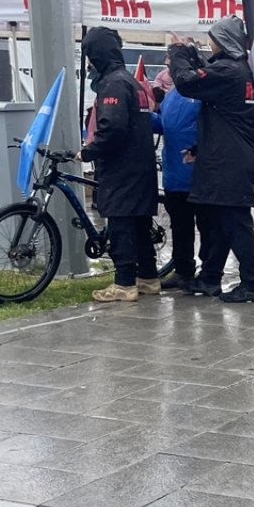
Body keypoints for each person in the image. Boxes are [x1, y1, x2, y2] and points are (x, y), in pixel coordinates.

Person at [168, 17, 254, 302]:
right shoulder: (240, 70)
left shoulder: (229, 71)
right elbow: (206, 75)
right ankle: (210, 277)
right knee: (221, 219)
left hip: (229, 159)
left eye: (212, 37)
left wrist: (178, 54)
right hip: (230, 153)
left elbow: (188, 82)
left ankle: (253, 283)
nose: (208, 41)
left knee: (235, 221)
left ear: (222, 40)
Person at [77, 28, 160, 302]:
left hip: (122, 168)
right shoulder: (131, 82)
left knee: (121, 224)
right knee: (140, 223)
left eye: (89, 54)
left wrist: (89, 152)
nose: (89, 62)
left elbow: (112, 127)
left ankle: (124, 284)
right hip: (141, 165)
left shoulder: (111, 84)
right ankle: (148, 278)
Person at [153, 56, 202, 292]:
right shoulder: (173, 94)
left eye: (171, 61)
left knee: (205, 225)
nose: (167, 66)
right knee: (181, 226)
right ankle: (184, 270)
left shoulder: (202, 91)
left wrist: (197, 148)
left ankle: (206, 272)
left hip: (196, 171)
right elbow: (163, 124)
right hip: (175, 171)